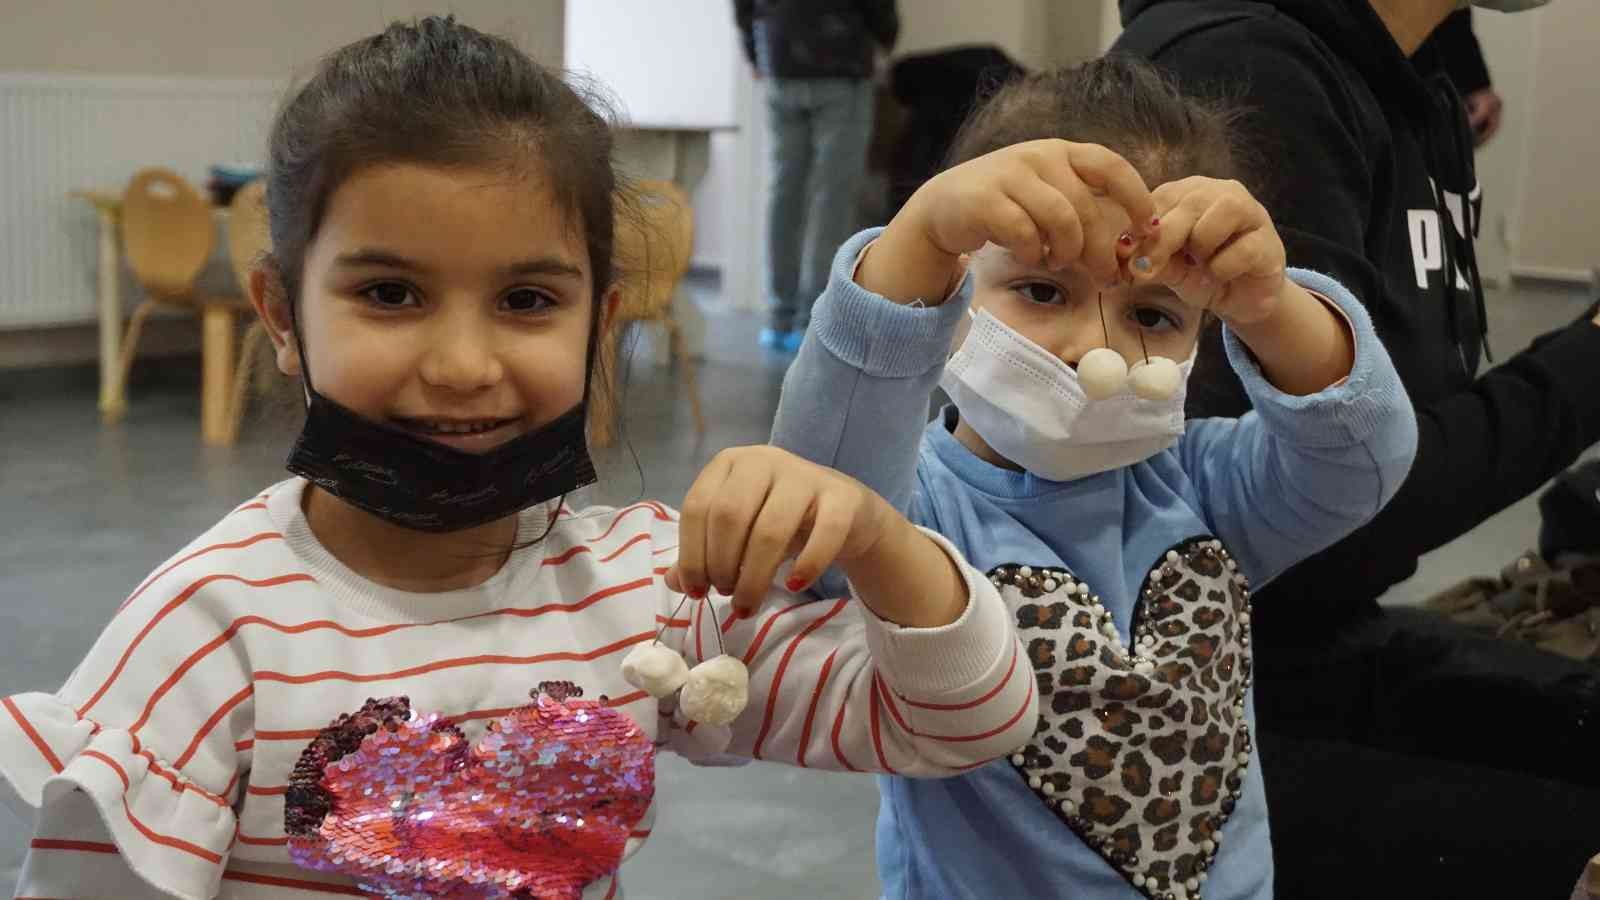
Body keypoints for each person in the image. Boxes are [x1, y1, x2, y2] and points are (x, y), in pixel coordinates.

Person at [0, 18, 1037, 899]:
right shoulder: (208, 634)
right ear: (282, 313)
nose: (462, 365)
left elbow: (958, 723)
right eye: (390, 294)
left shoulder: (650, 592)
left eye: (527, 300)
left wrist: (876, 535)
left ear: (599, 324)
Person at [770, 57, 1418, 900]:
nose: (1095, 352)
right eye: (1042, 291)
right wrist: (917, 240)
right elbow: (821, 528)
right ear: (954, 290)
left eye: (1152, 314)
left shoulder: (1203, 488)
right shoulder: (909, 515)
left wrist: (1272, 307)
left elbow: (1361, 465)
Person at [1115, 0, 1600, 894]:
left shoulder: (1407, 86)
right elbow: (1336, 520)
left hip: (1314, 639)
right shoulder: (1246, 71)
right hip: (1191, 707)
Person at [734, 0, 898, 352]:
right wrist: (886, 35)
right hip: (839, 60)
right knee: (831, 200)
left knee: (784, 194)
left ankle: (779, 319)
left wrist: (754, 50)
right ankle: (813, 323)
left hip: (779, 54)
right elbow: (880, 11)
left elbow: (742, 7)